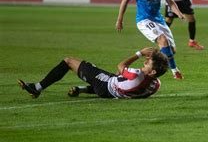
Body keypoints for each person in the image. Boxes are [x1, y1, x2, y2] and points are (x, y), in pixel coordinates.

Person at [116, 0, 185, 80]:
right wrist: (120, 19)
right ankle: (175, 71)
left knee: (171, 50)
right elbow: (125, 0)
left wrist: (179, 13)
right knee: (163, 40)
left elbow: (170, 2)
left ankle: (148, 57)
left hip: (159, 20)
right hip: (144, 20)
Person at [18, 47, 168, 99]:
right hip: (113, 91)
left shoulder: (136, 75)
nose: (144, 62)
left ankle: (37, 88)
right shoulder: (156, 84)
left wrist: (139, 53)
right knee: (117, 77)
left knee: (68, 61)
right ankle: (81, 89)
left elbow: (121, 65)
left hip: (105, 85)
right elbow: (124, 79)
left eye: (148, 63)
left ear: (153, 71)